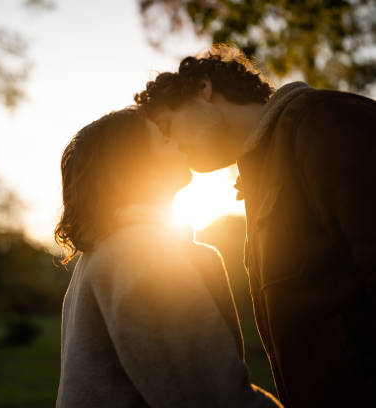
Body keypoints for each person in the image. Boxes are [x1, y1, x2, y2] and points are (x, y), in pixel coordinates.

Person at [134, 45, 376, 407]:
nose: (175, 150)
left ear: (203, 89)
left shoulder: (325, 120)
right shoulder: (259, 178)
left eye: (168, 127)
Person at [54, 107, 281, 407]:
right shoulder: (140, 253)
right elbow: (210, 396)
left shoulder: (102, 253)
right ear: (137, 164)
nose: (175, 141)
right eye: (162, 138)